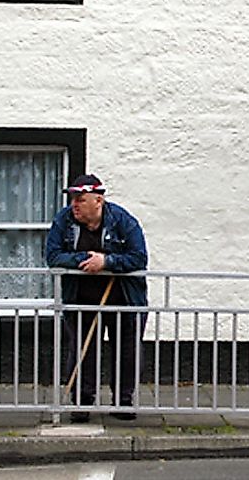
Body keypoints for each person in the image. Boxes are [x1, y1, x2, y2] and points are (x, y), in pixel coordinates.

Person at [45, 174, 148, 423]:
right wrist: (83, 260)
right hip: (81, 298)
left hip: (123, 298)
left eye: (80, 199)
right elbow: (53, 255)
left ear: (98, 200)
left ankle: (123, 401)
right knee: (82, 350)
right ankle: (82, 401)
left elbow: (139, 257)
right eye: (73, 200)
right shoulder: (64, 221)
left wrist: (107, 262)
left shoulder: (123, 221)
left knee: (126, 351)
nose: (74, 205)